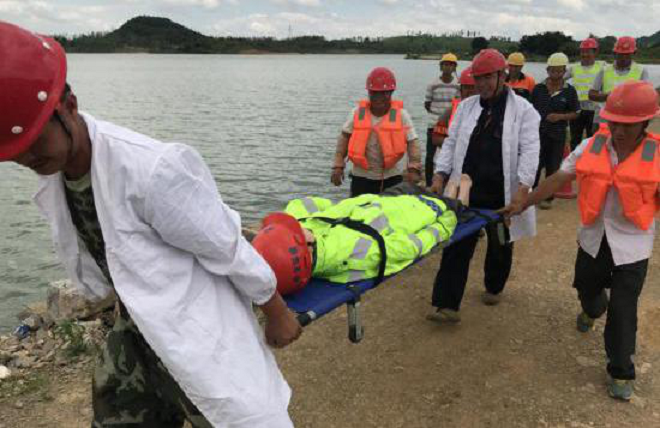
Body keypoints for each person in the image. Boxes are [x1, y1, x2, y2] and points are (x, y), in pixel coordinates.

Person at [0, 21, 300, 427]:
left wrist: (276, 310)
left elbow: (225, 244)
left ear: (69, 105)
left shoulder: (152, 169)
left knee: (235, 415)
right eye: (15, 153)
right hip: (135, 328)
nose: (29, 159)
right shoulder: (58, 172)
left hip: (192, 325)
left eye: (36, 141)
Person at [501, 81, 659, 401]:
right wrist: (524, 203)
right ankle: (593, 308)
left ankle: (621, 371)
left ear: (645, 122)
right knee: (587, 289)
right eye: (614, 123)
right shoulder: (590, 146)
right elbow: (560, 177)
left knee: (624, 309)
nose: (619, 131)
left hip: (633, 244)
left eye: (627, 125)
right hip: (593, 238)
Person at [427, 49, 540, 323]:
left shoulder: (524, 110)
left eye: (488, 77)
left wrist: (522, 189)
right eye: (478, 78)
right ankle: (447, 304)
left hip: (501, 192)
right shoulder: (466, 107)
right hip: (465, 191)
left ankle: (494, 286)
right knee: (457, 244)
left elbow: (530, 150)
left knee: (500, 243)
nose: (482, 84)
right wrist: (439, 175)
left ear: (502, 75)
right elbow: (451, 143)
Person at [252, 185, 459, 295]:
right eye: (295, 231)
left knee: (427, 186)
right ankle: (461, 187)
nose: (297, 226)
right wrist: (443, 226)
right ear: (307, 248)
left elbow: (301, 205)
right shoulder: (355, 254)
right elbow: (409, 247)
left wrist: (338, 209)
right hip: (421, 211)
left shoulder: (307, 228)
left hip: (384, 199)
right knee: (455, 199)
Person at [331, 67, 422, 197]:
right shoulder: (357, 113)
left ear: (391, 92)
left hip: (393, 177)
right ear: (369, 92)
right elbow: (344, 137)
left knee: (391, 209)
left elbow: (413, 142)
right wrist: (338, 165)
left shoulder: (401, 115)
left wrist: (414, 168)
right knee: (359, 209)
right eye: (374, 93)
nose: (379, 97)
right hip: (361, 177)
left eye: (384, 93)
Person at [531, 52, 579, 209]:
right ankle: (530, 194)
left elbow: (576, 113)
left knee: (553, 167)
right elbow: (529, 110)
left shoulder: (569, 91)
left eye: (559, 71)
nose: (556, 74)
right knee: (534, 165)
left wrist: (560, 117)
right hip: (537, 134)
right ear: (547, 70)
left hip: (557, 135)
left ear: (564, 71)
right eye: (553, 70)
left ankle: (547, 197)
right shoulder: (538, 89)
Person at [589, 36, 649, 130]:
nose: (624, 58)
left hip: (629, 121)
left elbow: (646, 97)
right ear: (615, 53)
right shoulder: (604, 70)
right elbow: (591, 95)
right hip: (604, 120)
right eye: (620, 54)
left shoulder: (641, 71)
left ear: (634, 53)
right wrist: (607, 96)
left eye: (627, 54)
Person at [424, 53, 461, 186]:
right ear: (441, 66)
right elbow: (427, 104)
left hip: (450, 126)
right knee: (430, 155)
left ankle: (447, 182)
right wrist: (438, 116)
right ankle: (429, 183)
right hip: (433, 124)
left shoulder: (457, 85)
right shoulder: (433, 84)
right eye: (445, 64)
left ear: (454, 67)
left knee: (449, 153)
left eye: (451, 65)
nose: (448, 67)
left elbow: (458, 104)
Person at [566, 38, 606, 149]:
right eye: (583, 51)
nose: (585, 54)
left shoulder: (603, 67)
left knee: (592, 139)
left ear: (595, 52)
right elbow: (559, 79)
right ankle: (574, 158)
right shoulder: (574, 68)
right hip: (577, 109)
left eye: (588, 51)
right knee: (575, 139)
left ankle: (590, 159)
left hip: (595, 110)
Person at [431, 67, 478, 145]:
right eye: (466, 87)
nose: (470, 91)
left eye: (473, 87)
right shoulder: (450, 112)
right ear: (461, 89)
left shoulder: (488, 111)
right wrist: (460, 144)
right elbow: (436, 139)